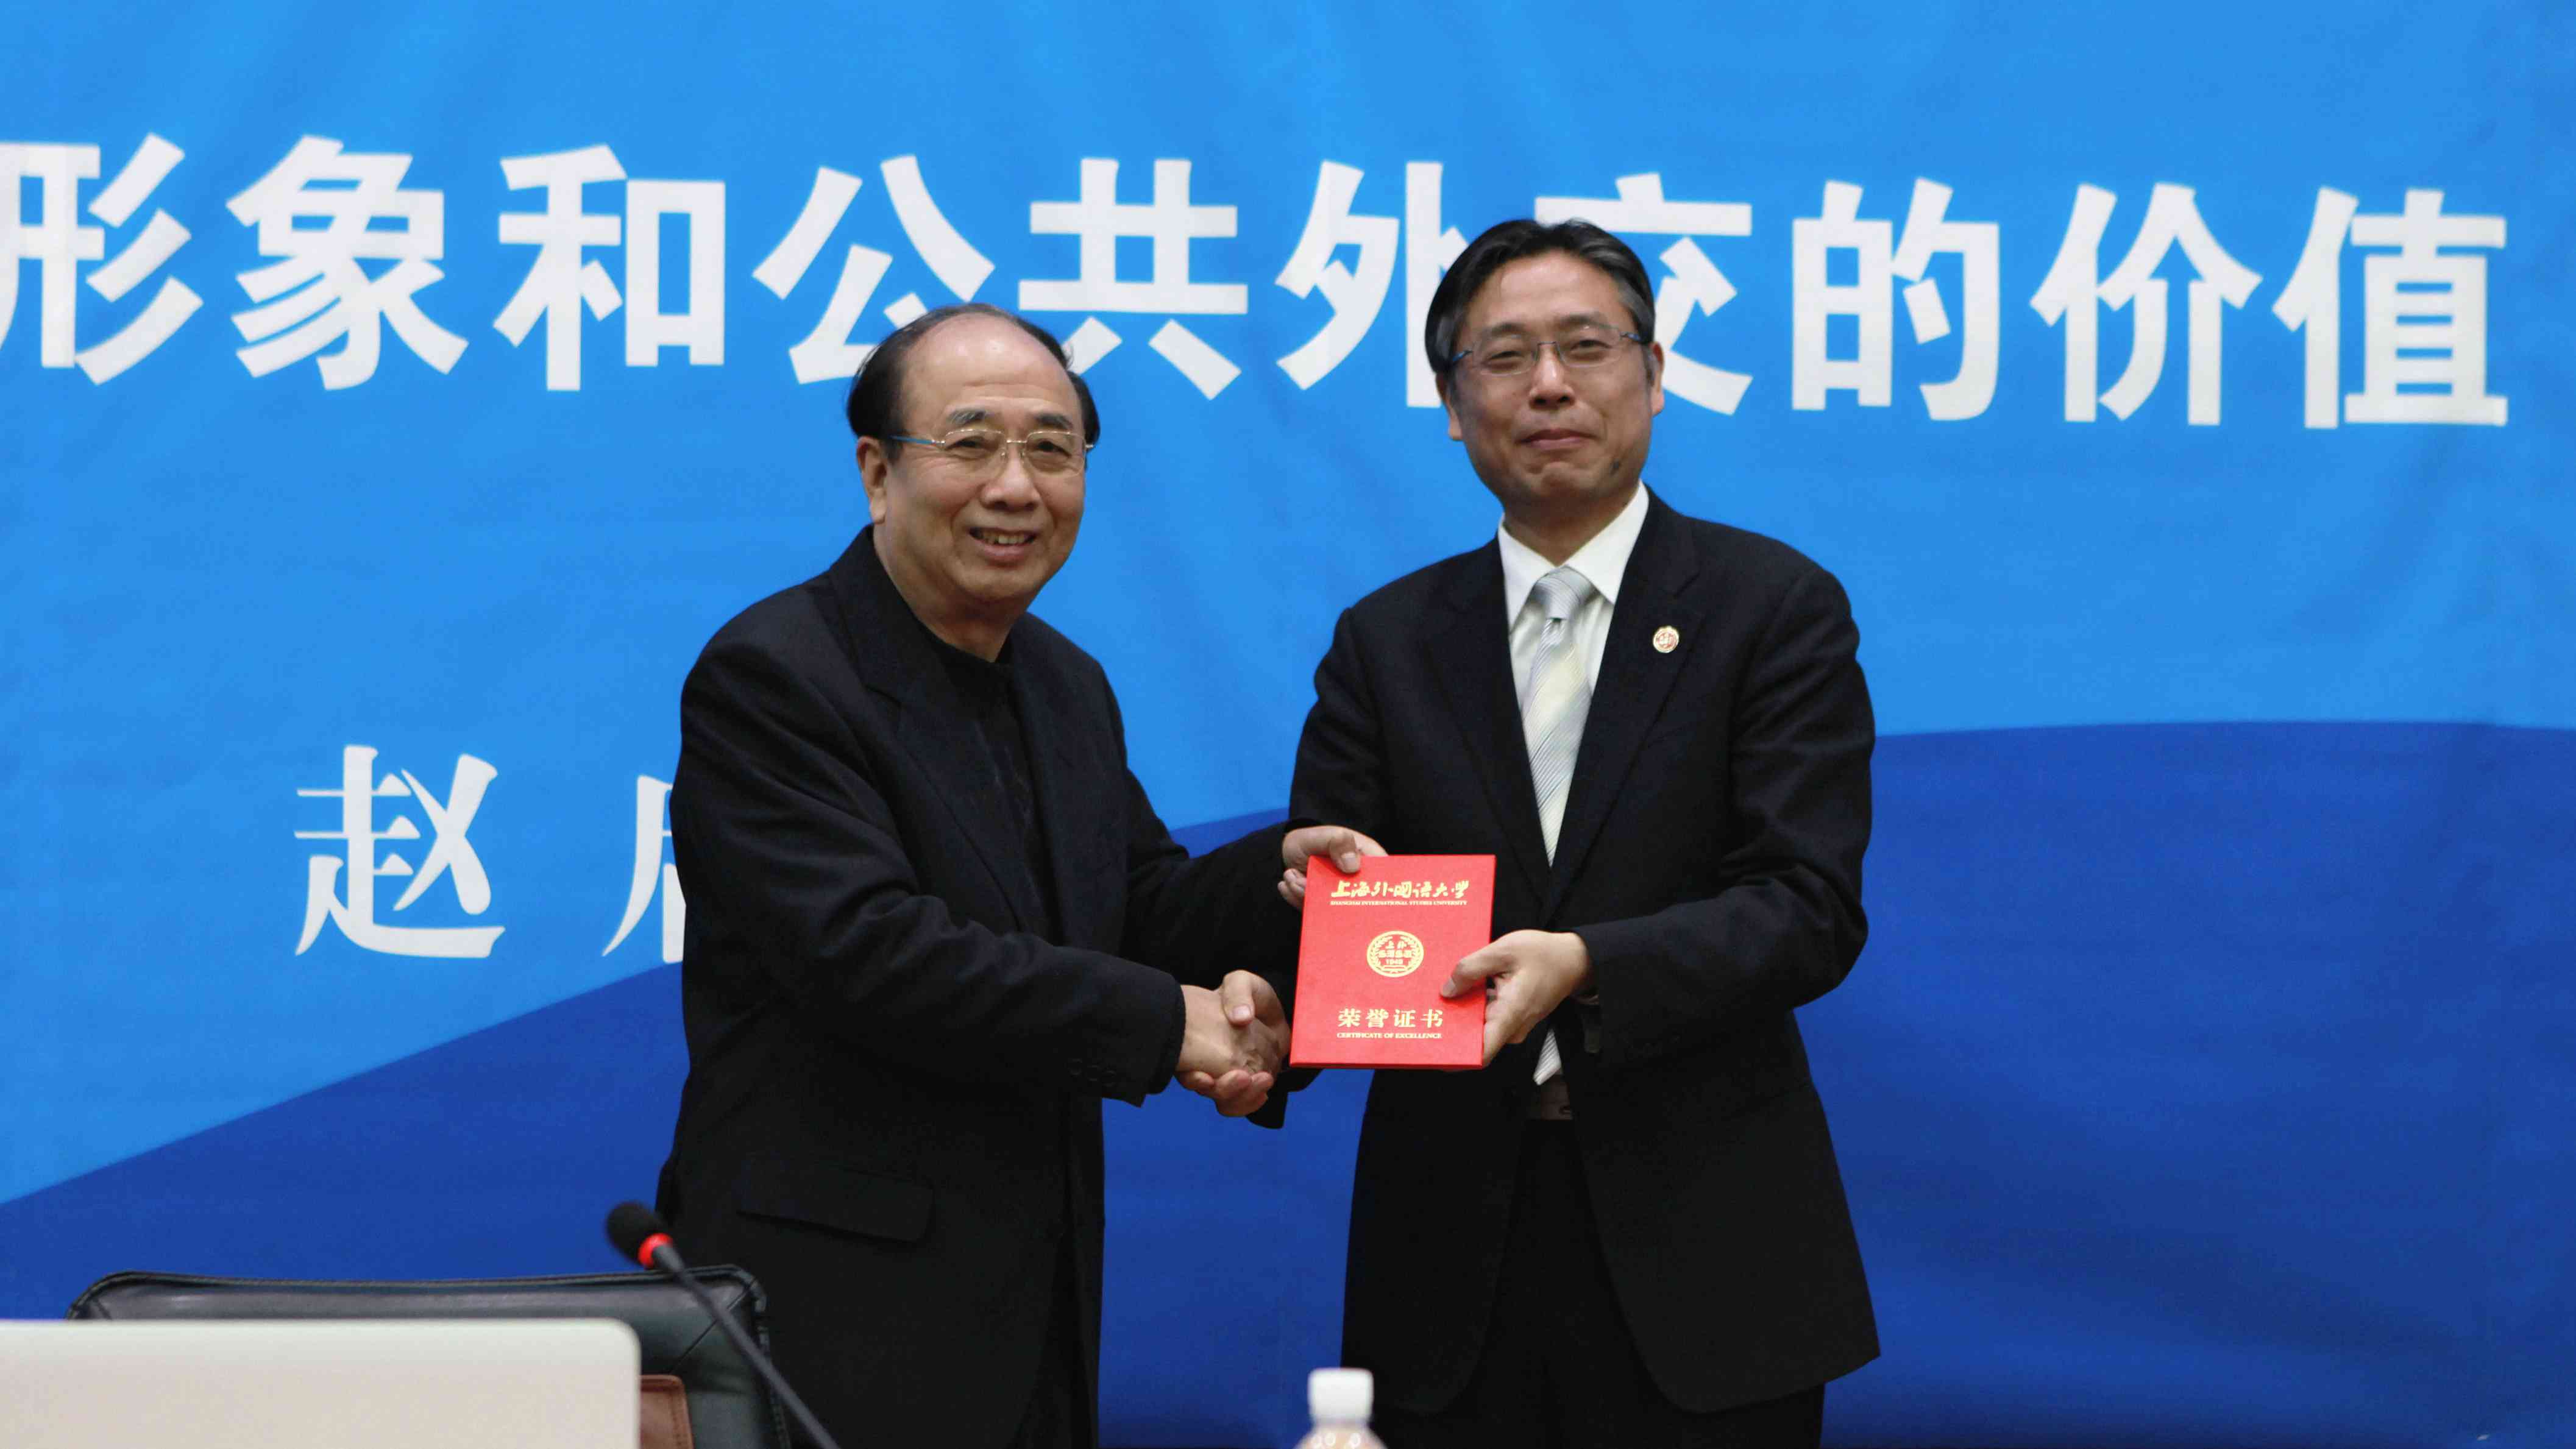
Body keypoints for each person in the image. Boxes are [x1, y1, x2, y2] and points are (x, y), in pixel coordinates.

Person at [655, 303, 1368, 1449]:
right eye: (972, 442)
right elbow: (874, 954)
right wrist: (1169, 1025)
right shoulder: (775, 677)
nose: (1016, 486)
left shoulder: (1063, 682)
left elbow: (1138, 906)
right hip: (833, 1317)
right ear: (878, 471)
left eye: (1052, 448)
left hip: (1033, 1312)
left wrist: (1279, 878)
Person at [1284, 220, 1879, 1448]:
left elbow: (1806, 907)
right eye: (1503, 357)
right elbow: (1328, 904)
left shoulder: (1771, 609)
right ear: (1453, 406)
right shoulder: (1386, 642)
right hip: (1449, 1258)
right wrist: (1272, 972)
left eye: (1585, 347)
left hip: (1708, 1250)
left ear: (1653, 376)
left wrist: (1588, 963)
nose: (1548, 385)